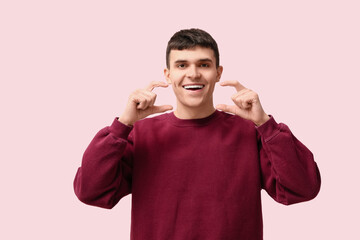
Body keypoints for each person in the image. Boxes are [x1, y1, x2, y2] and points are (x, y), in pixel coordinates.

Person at [73, 28, 321, 240]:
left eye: (204, 64)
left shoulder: (249, 133)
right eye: (182, 65)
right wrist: (122, 125)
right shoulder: (140, 134)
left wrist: (265, 124)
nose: (193, 74)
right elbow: (91, 192)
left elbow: (302, 188)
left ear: (218, 73)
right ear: (168, 75)